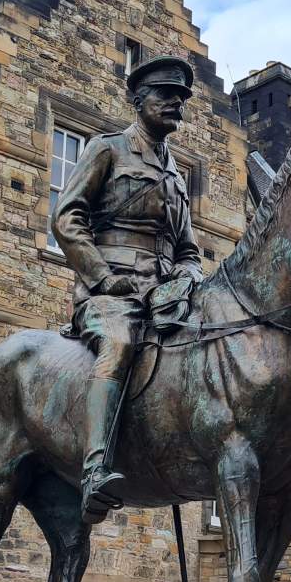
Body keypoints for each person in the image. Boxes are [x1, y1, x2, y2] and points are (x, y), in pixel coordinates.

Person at [52, 55, 203, 524]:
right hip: (109, 294)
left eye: (181, 99)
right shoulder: (107, 149)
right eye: (166, 95)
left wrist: (188, 276)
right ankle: (96, 467)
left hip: (163, 296)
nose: (175, 104)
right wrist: (100, 276)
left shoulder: (177, 176)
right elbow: (67, 217)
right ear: (139, 101)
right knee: (118, 344)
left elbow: (189, 250)